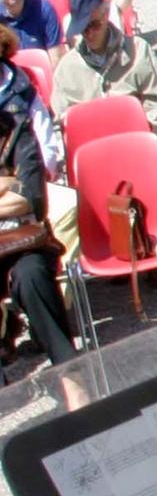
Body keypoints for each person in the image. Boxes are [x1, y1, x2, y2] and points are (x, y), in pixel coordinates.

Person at [0, 58, 75, 372]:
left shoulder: (18, 133)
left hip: (21, 242)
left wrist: (13, 197)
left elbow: (30, 198)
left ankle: (72, 373)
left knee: (32, 275)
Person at [53, 0, 157, 128]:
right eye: (84, 29)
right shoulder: (67, 68)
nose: (90, 34)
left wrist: (143, 126)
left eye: (95, 25)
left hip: (135, 140)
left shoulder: (138, 51)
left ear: (106, 14)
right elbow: (60, 120)